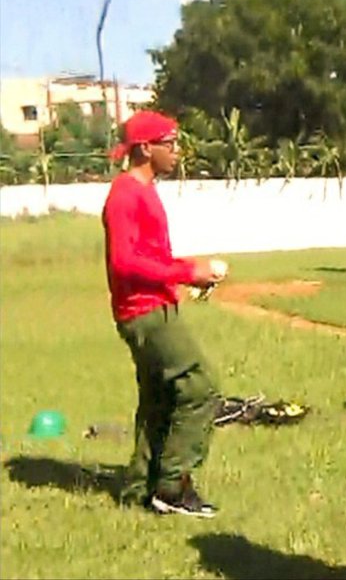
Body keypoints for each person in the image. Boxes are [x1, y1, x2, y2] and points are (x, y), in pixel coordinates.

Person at [102, 111, 225, 516]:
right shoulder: (126, 194)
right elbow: (124, 262)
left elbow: (150, 257)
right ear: (144, 149)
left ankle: (141, 486)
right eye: (169, 143)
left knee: (158, 399)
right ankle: (173, 486)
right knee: (200, 387)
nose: (177, 151)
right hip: (145, 311)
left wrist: (190, 274)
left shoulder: (144, 191)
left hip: (155, 305)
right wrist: (189, 272)